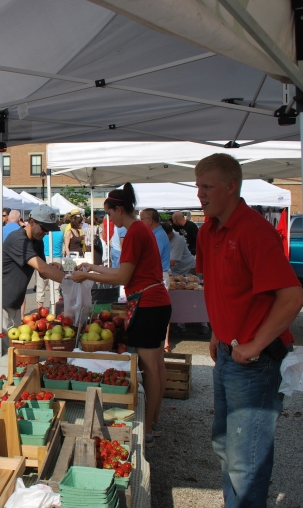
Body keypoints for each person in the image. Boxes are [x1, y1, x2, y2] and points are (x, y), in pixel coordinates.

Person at [195, 153, 303, 508]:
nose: (200, 194)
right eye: (198, 186)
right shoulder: (208, 230)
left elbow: (291, 297)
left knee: (246, 460)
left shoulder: (254, 230)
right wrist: (217, 332)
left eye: (207, 187)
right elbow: (222, 288)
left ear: (231, 187)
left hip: (255, 363)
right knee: (225, 446)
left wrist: (255, 343)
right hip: (230, 353)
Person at [71, 183, 171, 447]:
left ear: (119, 209)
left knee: (150, 368)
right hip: (157, 302)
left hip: (148, 305)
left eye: (109, 214)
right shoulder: (139, 229)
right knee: (157, 365)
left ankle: (148, 428)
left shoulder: (135, 232)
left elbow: (122, 277)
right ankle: (155, 421)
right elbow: (121, 272)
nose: (108, 220)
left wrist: (86, 275)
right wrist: (93, 267)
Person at [0, 204, 66, 352]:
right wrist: (69, 280)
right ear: (32, 222)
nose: (46, 233)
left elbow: (42, 271)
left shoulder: (37, 241)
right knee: (4, 352)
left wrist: (53, 267)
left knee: (13, 349)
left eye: (48, 230)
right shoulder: (18, 239)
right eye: (44, 228)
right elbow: (42, 269)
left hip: (13, 303)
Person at [36, 219, 63, 309]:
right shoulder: (60, 233)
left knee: (40, 286)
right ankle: (55, 310)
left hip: (43, 257)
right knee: (55, 287)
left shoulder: (43, 233)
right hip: (57, 258)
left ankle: (40, 309)